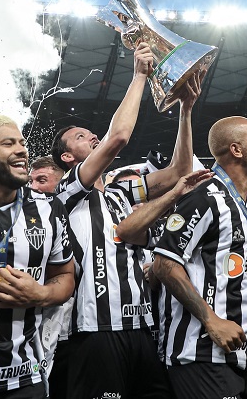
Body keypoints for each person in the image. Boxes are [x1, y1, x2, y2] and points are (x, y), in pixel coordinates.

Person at [48, 42, 199, 399]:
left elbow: (179, 171)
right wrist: (138, 77)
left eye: (90, 133)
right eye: (82, 138)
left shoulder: (120, 192)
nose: (92, 136)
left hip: (142, 328)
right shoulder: (68, 192)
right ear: (68, 156)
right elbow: (118, 138)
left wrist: (186, 111)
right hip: (95, 331)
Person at [152, 116, 247, 399]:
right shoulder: (205, 198)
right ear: (236, 150)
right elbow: (164, 264)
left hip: (245, 356)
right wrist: (211, 319)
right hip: (201, 354)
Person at [0, 114, 75, 398]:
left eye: (22, 142)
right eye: (9, 143)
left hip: (27, 378)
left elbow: (65, 276)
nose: (22, 150)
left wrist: (41, 295)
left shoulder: (49, 209)